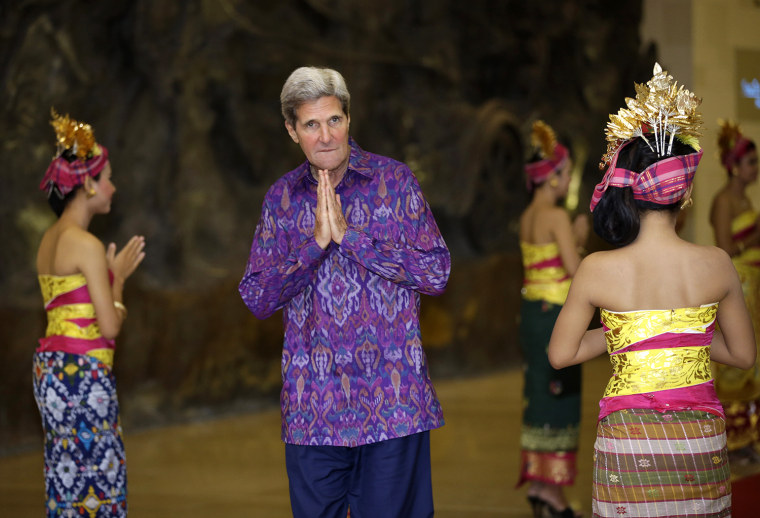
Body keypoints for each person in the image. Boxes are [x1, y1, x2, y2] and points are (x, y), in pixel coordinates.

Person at [238, 66, 451, 518]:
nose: (326, 136)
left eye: (334, 120)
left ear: (349, 118)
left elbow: (437, 272)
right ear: (292, 131)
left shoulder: (394, 183)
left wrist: (351, 238)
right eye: (311, 125)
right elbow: (256, 296)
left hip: (393, 406)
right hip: (312, 410)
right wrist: (314, 245)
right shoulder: (281, 199)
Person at [548, 63, 756, 517]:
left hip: (630, 446)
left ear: (633, 192)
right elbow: (743, 356)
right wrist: (677, 334)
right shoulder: (717, 264)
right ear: (684, 194)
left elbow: (561, 355)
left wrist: (632, 335)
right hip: (699, 445)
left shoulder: (597, 269)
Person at [34, 110, 145, 517]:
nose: (113, 187)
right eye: (108, 177)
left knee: (66, 479)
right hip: (82, 374)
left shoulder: (49, 239)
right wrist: (117, 280)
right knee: (100, 479)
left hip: (51, 372)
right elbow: (110, 325)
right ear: (87, 183)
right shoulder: (86, 244)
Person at [517, 120, 587, 518]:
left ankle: (541, 486)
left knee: (539, 398)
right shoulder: (557, 217)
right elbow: (575, 270)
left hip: (531, 315)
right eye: (568, 171)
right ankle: (553, 492)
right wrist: (578, 233)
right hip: (555, 317)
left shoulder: (528, 215)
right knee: (559, 399)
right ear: (555, 176)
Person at [710, 120, 760, 464]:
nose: (756, 169)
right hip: (738, 284)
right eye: (751, 163)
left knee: (754, 361)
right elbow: (725, 248)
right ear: (734, 166)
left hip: (754, 284)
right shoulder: (724, 200)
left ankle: (750, 434)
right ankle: (733, 439)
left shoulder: (745, 199)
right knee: (736, 361)